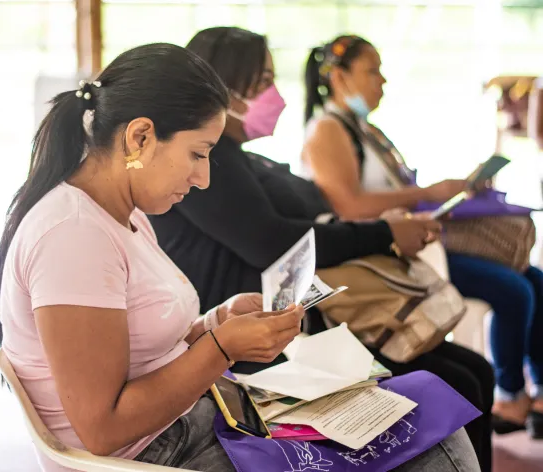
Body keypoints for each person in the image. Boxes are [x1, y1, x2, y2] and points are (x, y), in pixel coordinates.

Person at [0, 42, 478, 472]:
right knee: (436, 441)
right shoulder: (74, 236)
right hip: (159, 453)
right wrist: (221, 348)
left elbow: (137, 345)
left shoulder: (118, 213)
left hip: (186, 423)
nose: (204, 179)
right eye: (199, 153)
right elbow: (103, 429)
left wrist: (216, 322)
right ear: (140, 137)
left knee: (419, 405)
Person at [149, 27, 488, 472]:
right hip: (267, 342)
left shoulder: (241, 157)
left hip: (277, 324)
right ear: (223, 85)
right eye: (263, 82)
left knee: (470, 371)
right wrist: (381, 231)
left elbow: (304, 217)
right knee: (454, 382)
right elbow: (270, 240)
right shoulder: (210, 162)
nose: (276, 95)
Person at [301, 34, 543, 445]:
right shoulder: (327, 130)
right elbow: (350, 207)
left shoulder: (364, 129)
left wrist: (445, 193)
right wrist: (426, 194)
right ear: (339, 77)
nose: (383, 81)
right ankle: (510, 396)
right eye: (372, 70)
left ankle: (537, 392)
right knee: (514, 290)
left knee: (534, 277)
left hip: (415, 244)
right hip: (384, 260)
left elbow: (395, 190)